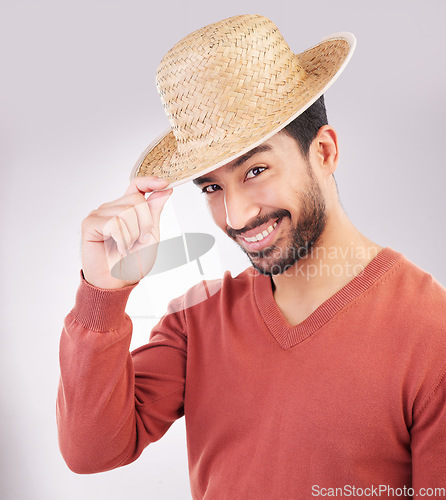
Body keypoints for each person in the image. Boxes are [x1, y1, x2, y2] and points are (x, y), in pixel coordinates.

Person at [57, 14, 446, 499]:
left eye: (256, 169)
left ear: (323, 152)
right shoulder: (195, 319)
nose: (236, 215)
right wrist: (104, 290)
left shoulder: (433, 332)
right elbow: (90, 450)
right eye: (213, 187)